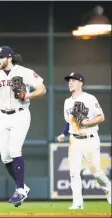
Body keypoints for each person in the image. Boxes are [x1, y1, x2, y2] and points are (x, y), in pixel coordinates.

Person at [0, 46, 46, 207]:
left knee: (15, 150)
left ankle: (20, 189)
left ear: (9, 58)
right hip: (3, 116)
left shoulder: (24, 72)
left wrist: (27, 95)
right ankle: (22, 186)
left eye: (1, 57)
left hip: (20, 114)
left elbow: (42, 89)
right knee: (5, 156)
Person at [57, 72, 111, 209]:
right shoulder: (67, 102)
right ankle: (78, 202)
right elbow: (68, 121)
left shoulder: (90, 98)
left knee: (96, 171)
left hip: (90, 139)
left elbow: (101, 117)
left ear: (81, 83)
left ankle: (109, 189)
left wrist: (87, 123)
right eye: (69, 80)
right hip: (74, 140)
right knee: (74, 172)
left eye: (73, 80)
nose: (70, 82)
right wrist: (64, 134)